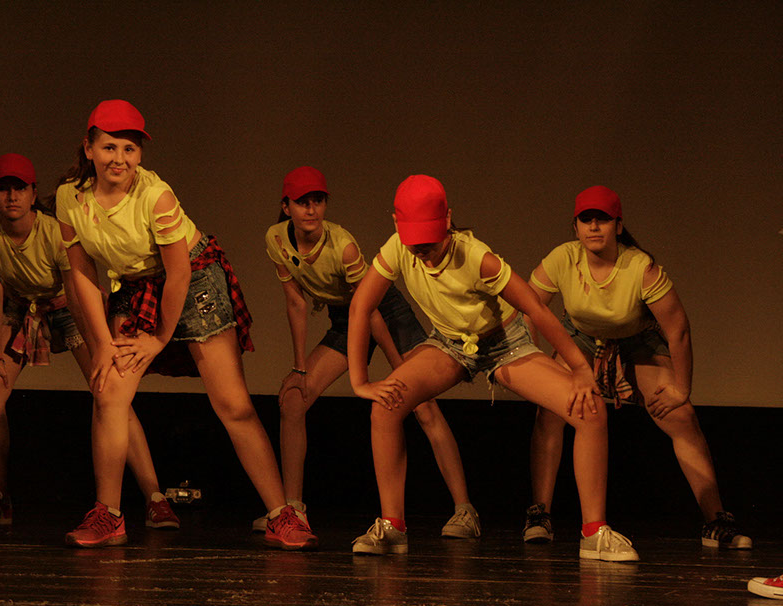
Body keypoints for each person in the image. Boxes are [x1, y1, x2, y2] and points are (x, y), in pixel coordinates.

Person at [54, 100, 316, 550]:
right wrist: (101, 343)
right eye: (110, 147)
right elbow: (81, 271)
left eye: (130, 149)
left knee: (232, 403)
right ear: (89, 148)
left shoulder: (156, 196)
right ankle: (108, 515)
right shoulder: (69, 198)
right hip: (137, 284)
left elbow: (177, 274)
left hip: (193, 280)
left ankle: (281, 514)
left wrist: (159, 339)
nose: (120, 159)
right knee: (110, 393)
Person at [347, 174, 637, 561]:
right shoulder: (396, 247)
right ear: (397, 225)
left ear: (447, 220)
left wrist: (580, 369)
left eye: (431, 242)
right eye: (416, 244)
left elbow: (535, 308)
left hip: (504, 343)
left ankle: (594, 533)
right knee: (385, 405)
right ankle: (391, 527)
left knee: (590, 408)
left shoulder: (477, 257)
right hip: (449, 344)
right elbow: (361, 306)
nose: (425, 254)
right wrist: (360, 381)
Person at [523, 185, 751, 550]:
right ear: (576, 226)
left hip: (636, 341)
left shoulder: (640, 267)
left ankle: (715, 520)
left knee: (680, 415)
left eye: (602, 220)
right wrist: (532, 364)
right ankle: (539, 515)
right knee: (550, 410)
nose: (593, 227)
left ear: (618, 225)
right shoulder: (562, 258)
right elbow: (529, 308)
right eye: (586, 219)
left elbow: (678, 329)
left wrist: (682, 388)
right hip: (581, 337)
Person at [256, 166, 479, 538]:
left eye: (318, 201)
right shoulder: (276, 239)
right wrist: (299, 367)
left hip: (385, 312)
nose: (311, 210)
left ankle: (464, 509)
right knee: (293, 399)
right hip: (348, 320)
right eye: (302, 202)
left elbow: (371, 309)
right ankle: (292, 511)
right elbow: (295, 302)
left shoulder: (341, 244)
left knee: (421, 406)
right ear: (286, 206)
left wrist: (399, 371)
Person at [0, 153, 177, 530]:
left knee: (110, 392)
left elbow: (78, 291)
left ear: (33, 194)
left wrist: (101, 348)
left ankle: (155, 497)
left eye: (19, 188)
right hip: (21, 306)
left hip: (67, 304)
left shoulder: (51, 231)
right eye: (2, 188)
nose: (11, 196)